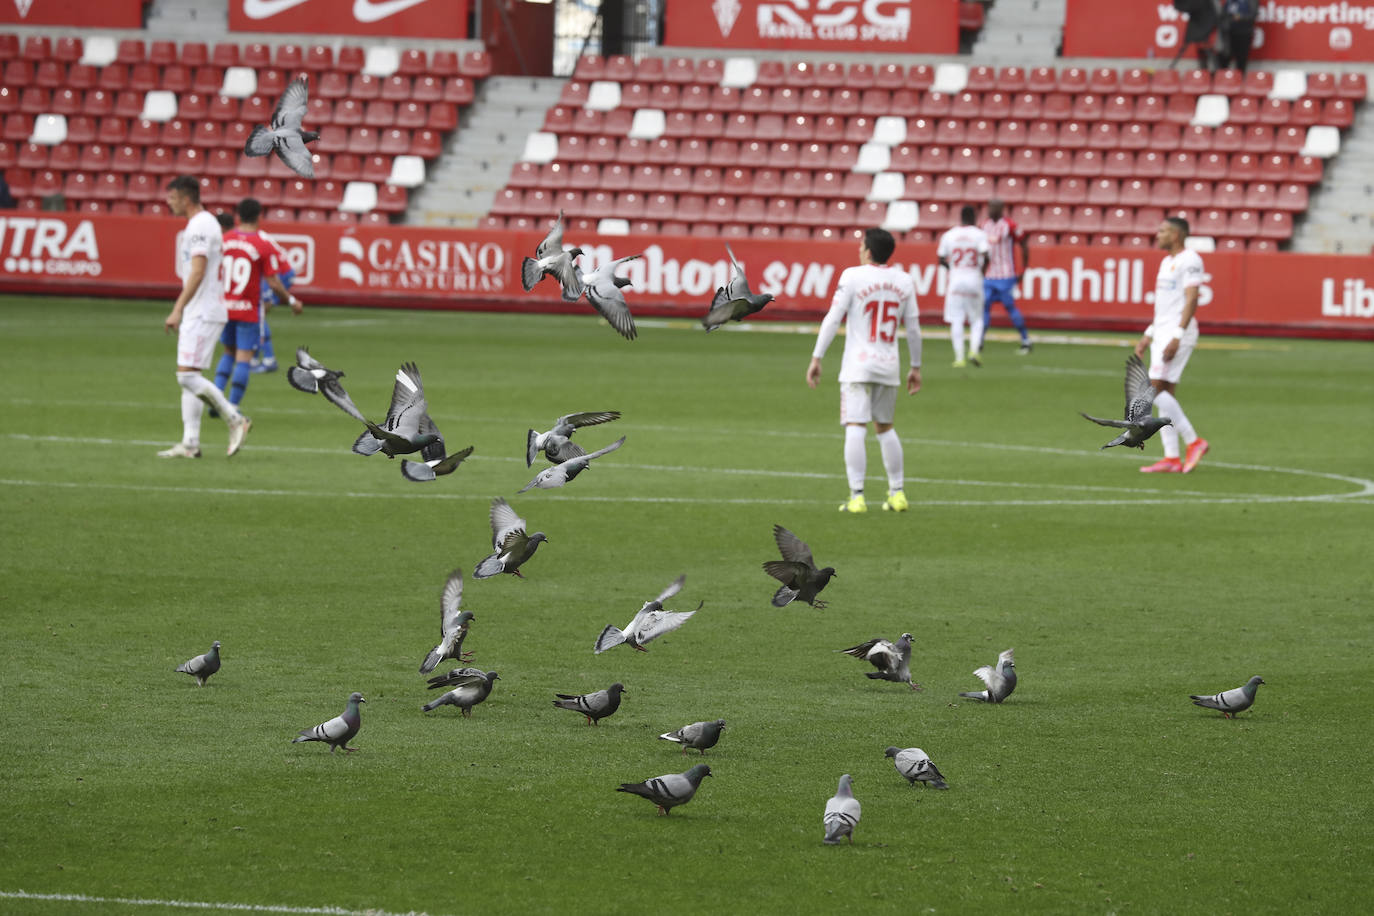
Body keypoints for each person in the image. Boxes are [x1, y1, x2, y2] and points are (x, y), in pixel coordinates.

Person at [806, 227, 922, 513]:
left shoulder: (852, 276)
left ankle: (857, 496)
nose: (859, 249)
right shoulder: (904, 281)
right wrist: (916, 366)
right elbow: (914, 329)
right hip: (889, 364)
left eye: (861, 245)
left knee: (856, 425)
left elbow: (833, 319)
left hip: (857, 365)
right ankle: (897, 493)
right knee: (885, 428)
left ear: (868, 251)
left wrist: (817, 356)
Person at [159, 176, 251, 459]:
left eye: (172, 197)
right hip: (203, 310)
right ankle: (190, 443)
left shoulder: (199, 225)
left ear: (186, 198)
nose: (169, 202)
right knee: (191, 375)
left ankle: (235, 419)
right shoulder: (206, 223)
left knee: (186, 377)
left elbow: (198, 271)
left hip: (202, 310)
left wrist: (177, 308)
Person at [1135, 217, 1209, 473]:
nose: (1158, 234)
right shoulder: (1167, 262)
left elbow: (1191, 300)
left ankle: (1194, 441)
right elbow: (1165, 306)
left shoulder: (1190, 260)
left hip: (1177, 334)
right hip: (1163, 332)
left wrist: (1178, 334)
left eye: (1163, 230)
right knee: (1165, 395)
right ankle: (1172, 458)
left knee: (1153, 390)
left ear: (1177, 235)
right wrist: (1149, 333)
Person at [212, 198, 301, 407]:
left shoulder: (223, 241)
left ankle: (215, 400)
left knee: (228, 352)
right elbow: (273, 280)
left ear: (237, 216)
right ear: (259, 216)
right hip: (247, 309)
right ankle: (231, 408)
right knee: (243, 357)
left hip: (225, 307)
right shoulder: (262, 243)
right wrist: (292, 301)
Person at [937, 205, 990, 368]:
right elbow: (986, 255)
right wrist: (981, 270)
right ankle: (974, 351)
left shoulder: (949, 235)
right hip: (974, 278)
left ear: (960, 217)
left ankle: (959, 358)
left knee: (956, 319)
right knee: (977, 319)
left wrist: (952, 269)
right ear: (974, 217)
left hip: (956, 280)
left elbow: (941, 258)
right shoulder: (979, 234)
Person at [978, 199, 1032, 355]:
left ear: (1002, 209)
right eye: (990, 207)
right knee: (984, 307)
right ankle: (979, 340)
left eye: (995, 207)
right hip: (988, 275)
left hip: (1005, 274)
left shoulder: (1010, 225)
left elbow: (1024, 244)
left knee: (1010, 307)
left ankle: (1025, 340)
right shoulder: (983, 225)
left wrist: (1024, 268)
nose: (991, 209)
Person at [250, 226, 297, 374]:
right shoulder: (259, 236)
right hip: (282, 272)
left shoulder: (253, 238)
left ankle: (269, 360)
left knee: (259, 315)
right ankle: (254, 359)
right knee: (258, 315)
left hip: (279, 274)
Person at [1218, 0, 1257, 73]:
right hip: (1228, 34)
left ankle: (1240, 80)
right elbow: (1222, 14)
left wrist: (1240, 17)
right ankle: (1223, 79)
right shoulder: (1229, 2)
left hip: (1243, 34)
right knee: (1223, 59)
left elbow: (1253, 15)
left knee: (1241, 60)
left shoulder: (1251, 1)